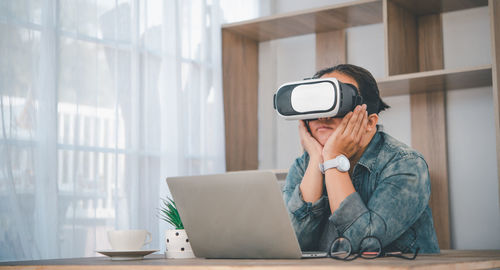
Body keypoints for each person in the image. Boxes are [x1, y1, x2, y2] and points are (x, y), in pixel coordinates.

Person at [282, 64, 440, 254]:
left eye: (338, 103)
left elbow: (363, 244)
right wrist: (317, 159)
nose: (323, 116)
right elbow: (289, 245)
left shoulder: (405, 164)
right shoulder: (304, 166)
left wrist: (332, 159)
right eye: (318, 103)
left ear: (370, 122)